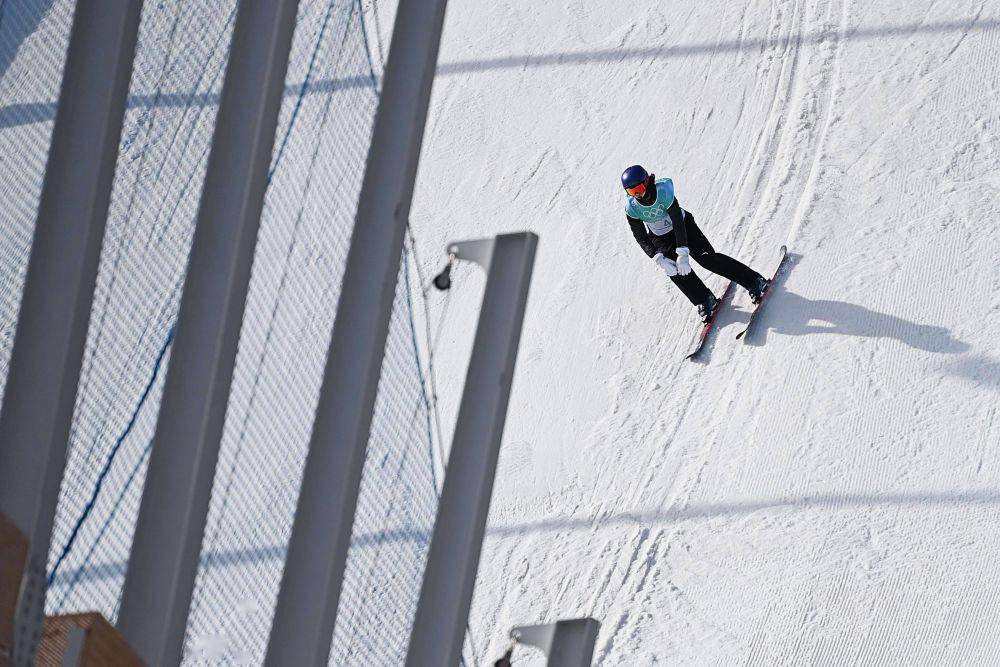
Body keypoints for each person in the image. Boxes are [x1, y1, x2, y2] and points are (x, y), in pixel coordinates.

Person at [621, 164, 769, 323]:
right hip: (660, 238)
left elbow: (677, 221)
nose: (638, 194)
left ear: (647, 181)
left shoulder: (663, 191)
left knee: (707, 259)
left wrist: (683, 251)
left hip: (684, 226)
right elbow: (640, 235)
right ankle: (704, 299)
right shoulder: (632, 207)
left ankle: (755, 281)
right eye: (632, 191)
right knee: (674, 270)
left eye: (639, 188)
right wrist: (657, 257)